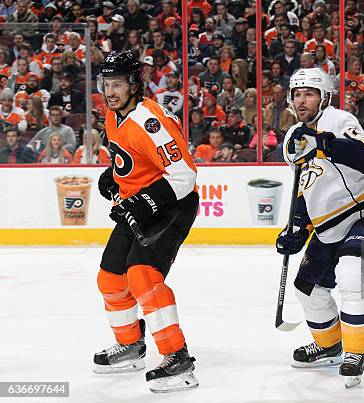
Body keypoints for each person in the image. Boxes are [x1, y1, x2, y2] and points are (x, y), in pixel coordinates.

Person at [275, 68, 364, 387]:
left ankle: (355, 352)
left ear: (324, 97)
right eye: (297, 94)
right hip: (333, 222)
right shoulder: (292, 138)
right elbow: (305, 185)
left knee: (351, 272)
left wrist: (322, 144)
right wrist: (297, 229)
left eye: (309, 93)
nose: (302, 100)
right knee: (307, 287)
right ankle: (330, 345)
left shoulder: (340, 121)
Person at [93, 51, 199, 393]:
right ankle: (131, 345)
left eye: (118, 84)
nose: (110, 91)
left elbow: (184, 176)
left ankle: (177, 357)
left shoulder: (152, 121)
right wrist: (112, 176)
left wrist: (143, 201)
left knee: (143, 276)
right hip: (137, 206)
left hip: (172, 206)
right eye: (106, 84)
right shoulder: (113, 116)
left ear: (134, 85)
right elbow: (131, 161)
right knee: (110, 278)